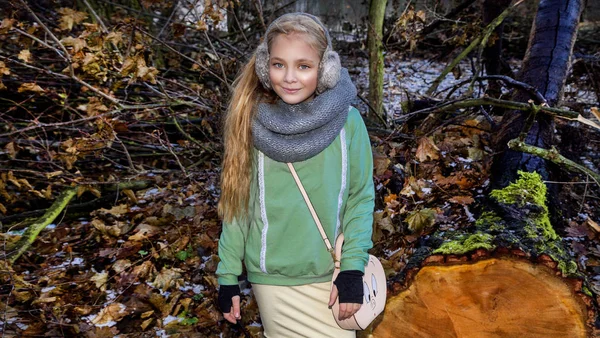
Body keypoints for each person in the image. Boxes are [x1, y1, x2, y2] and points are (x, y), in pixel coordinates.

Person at [216, 12, 375, 338]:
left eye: (304, 66)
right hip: (274, 280)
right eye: (278, 64)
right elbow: (238, 204)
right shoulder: (251, 122)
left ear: (326, 70)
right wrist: (228, 275)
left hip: (332, 274)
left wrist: (353, 269)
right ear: (264, 66)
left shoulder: (349, 123)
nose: (289, 77)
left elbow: (360, 198)